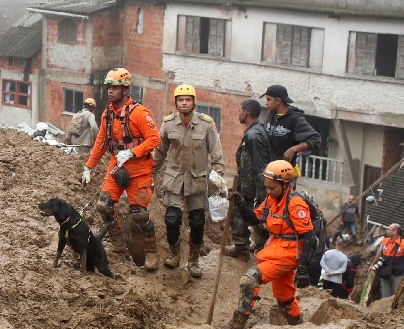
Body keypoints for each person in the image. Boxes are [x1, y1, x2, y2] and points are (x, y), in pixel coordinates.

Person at [82, 68, 162, 270]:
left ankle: (151, 250)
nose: (110, 91)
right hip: (116, 167)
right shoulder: (107, 114)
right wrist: (88, 166)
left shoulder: (140, 113)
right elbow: (101, 142)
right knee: (103, 205)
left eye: (115, 87)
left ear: (125, 89)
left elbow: (154, 139)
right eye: (109, 87)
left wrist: (133, 152)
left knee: (139, 214)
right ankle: (118, 246)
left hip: (139, 169)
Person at [227, 160, 315, 329]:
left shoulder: (295, 204)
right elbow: (255, 219)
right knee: (284, 296)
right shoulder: (270, 199)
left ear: (285, 184)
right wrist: (241, 204)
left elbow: (309, 237)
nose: (268, 191)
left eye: (272, 188)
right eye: (267, 187)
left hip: (289, 253)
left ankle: (236, 324)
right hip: (275, 248)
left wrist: (303, 268)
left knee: (249, 280)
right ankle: (298, 327)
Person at [156, 84, 225, 277]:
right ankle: (174, 254)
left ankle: (194, 261)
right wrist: (151, 172)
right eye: (180, 100)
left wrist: (218, 178)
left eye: (188, 100)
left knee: (196, 222)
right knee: (172, 219)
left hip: (197, 181)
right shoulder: (168, 123)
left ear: (194, 102)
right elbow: (160, 151)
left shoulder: (206, 123)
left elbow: (216, 154)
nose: (184, 103)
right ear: (176, 103)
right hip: (174, 180)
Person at [228, 98, 269, 257]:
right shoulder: (255, 132)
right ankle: (257, 245)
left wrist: (261, 193)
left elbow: (259, 166)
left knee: (240, 213)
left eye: (239, 111)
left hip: (249, 187)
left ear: (246, 113)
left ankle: (242, 248)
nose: (238, 114)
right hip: (248, 185)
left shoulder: (254, 136)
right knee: (252, 215)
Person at [261, 85, 321, 164]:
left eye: (269, 99)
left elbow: (316, 139)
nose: (266, 103)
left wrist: (294, 149)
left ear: (278, 101)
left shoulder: (295, 118)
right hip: (267, 167)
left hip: (284, 170)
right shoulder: (270, 115)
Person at [374, 223, 404, 298]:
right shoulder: (384, 241)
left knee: (396, 294)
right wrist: (373, 264)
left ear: (395, 232)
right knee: (385, 293)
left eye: (389, 229)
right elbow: (379, 253)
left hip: (397, 273)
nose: (387, 231)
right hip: (384, 271)